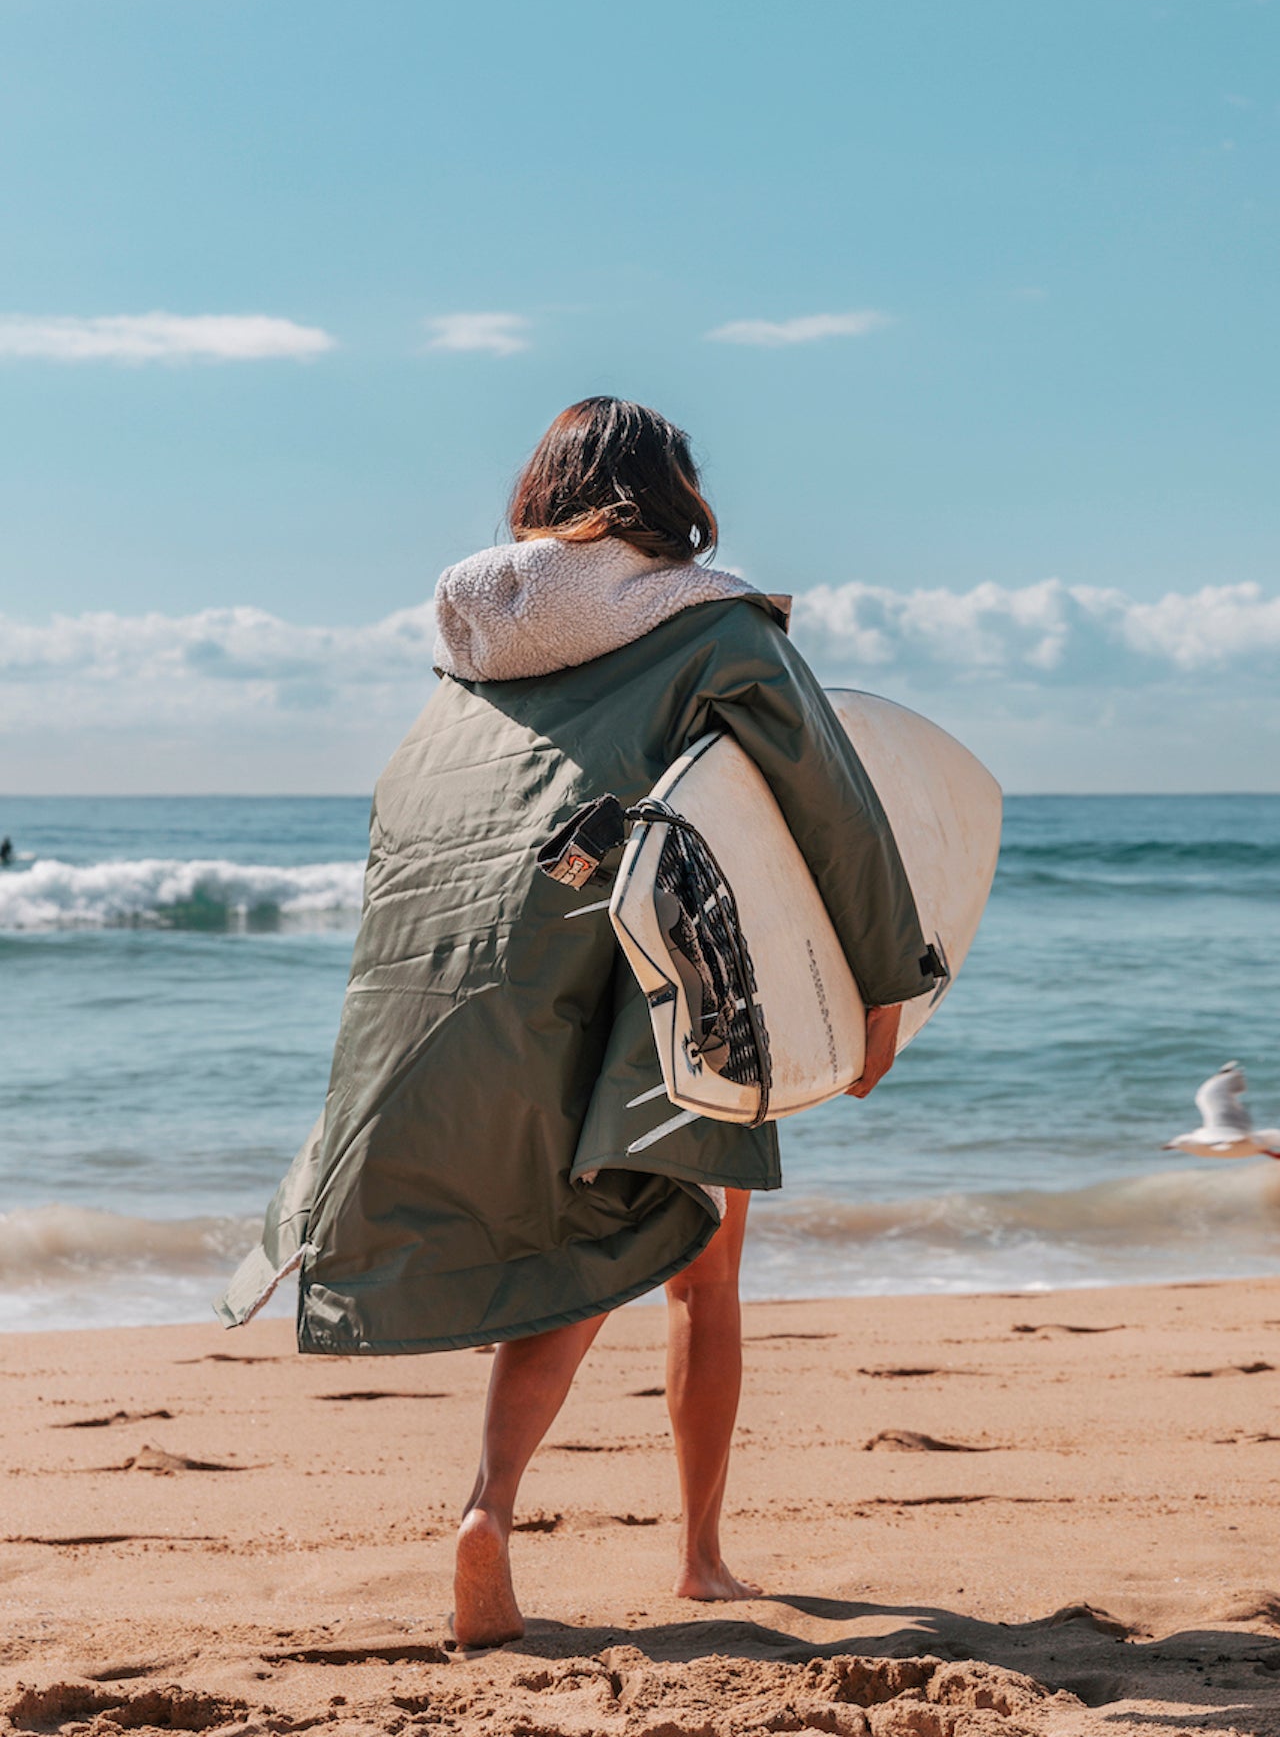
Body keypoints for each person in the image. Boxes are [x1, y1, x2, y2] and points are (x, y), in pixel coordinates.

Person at [218, 397, 936, 1646]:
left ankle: (490, 1511)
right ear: (674, 497)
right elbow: (829, 803)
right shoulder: (712, 624)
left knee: (572, 1264)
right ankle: (701, 1558)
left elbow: (415, 831)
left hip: (483, 978)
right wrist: (884, 979)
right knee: (700, 1276)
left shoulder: (469, 653)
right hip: (662, 988)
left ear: (541, 490)